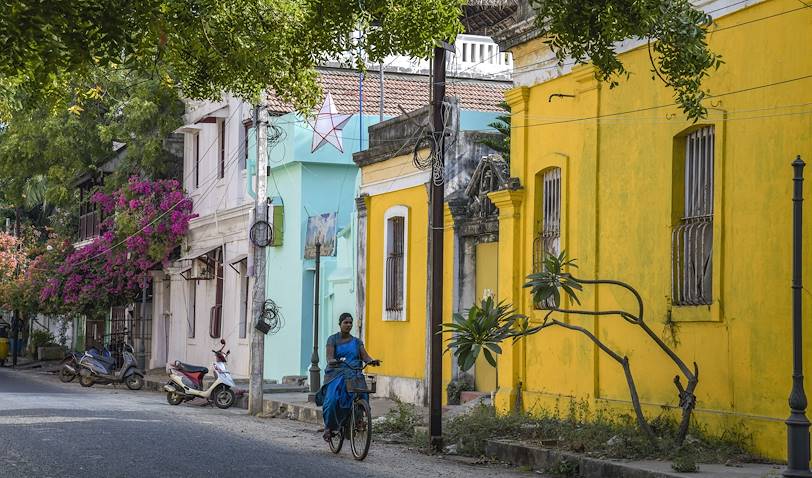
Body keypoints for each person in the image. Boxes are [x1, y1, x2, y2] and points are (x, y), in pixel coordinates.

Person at [320, 312, 379, 441]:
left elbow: (365, 356)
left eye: (350, 322)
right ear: (340, 324)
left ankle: (358, 419)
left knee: (362, 394)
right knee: (332, 401)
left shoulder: (357, 342)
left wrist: (371, 361)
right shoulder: (332, 339)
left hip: (354, 373)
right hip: (336, 373)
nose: (348, 325)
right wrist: (332, 361)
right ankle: (329, 427)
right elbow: (329, 356)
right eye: (345, 322)